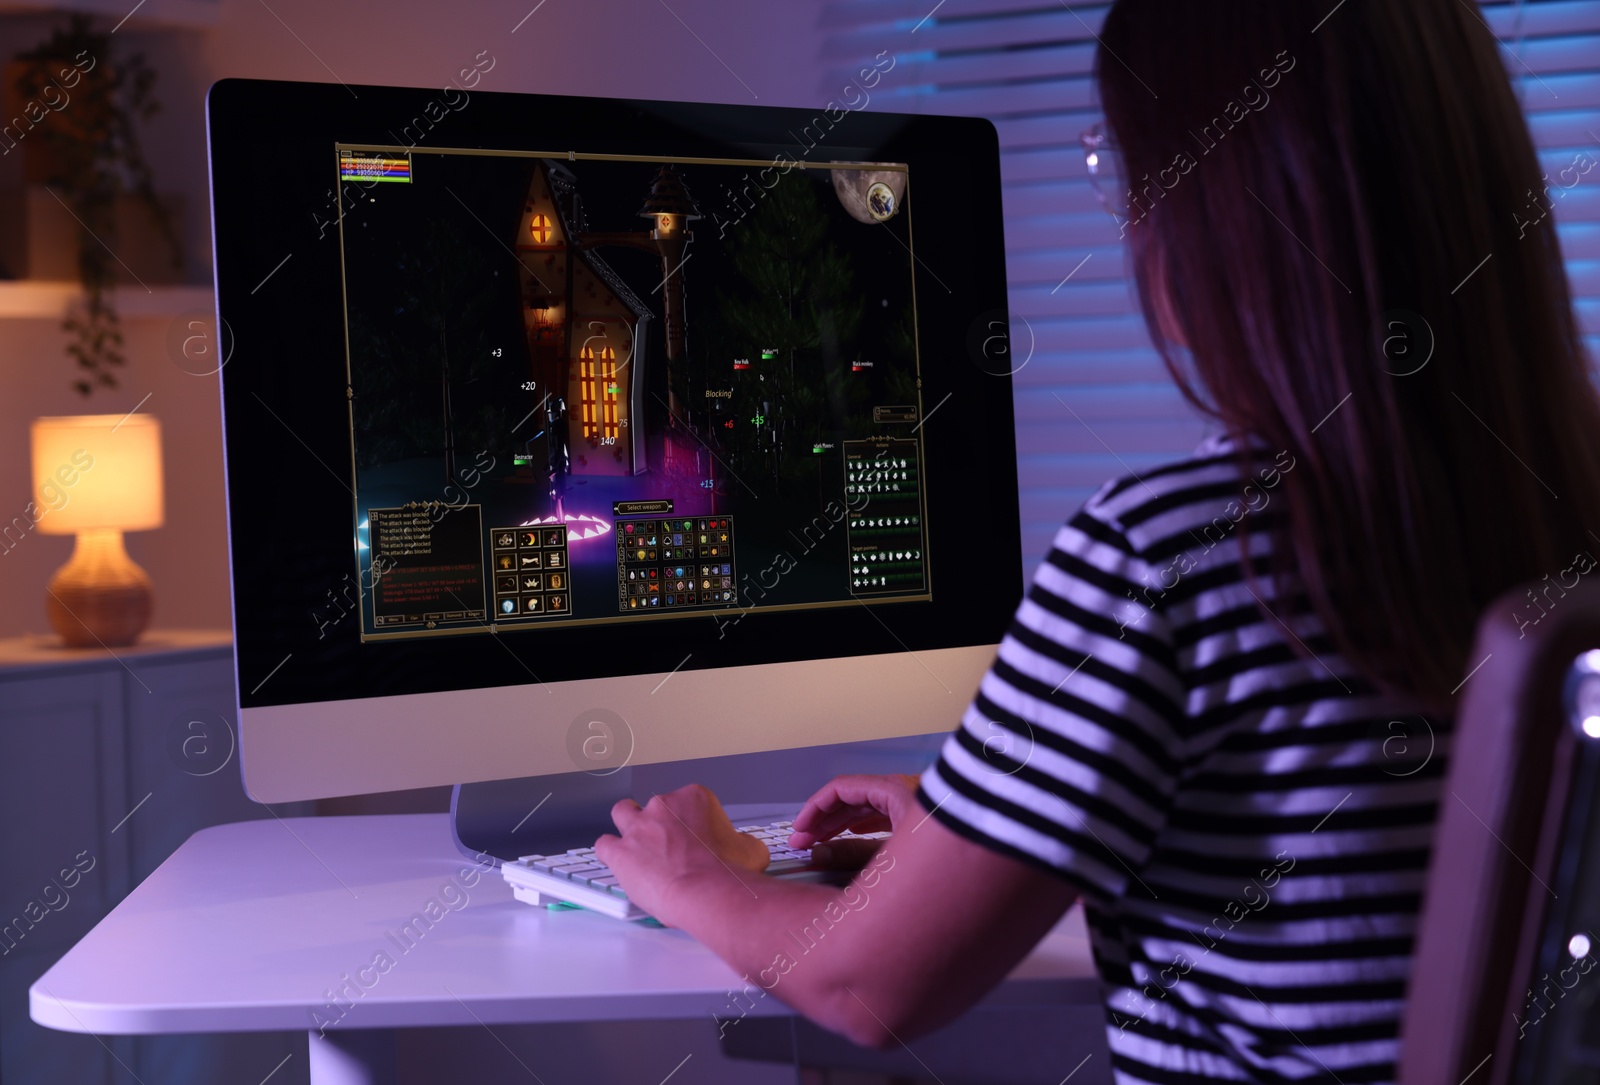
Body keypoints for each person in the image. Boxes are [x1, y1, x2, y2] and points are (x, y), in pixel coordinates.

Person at [594, 0, 1600, 1080]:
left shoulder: (1171, 553)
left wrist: (688, 871)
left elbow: (866, 986)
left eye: (1123, 166)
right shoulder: (1563, 512)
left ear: (1220, 211)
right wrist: (981, 822)